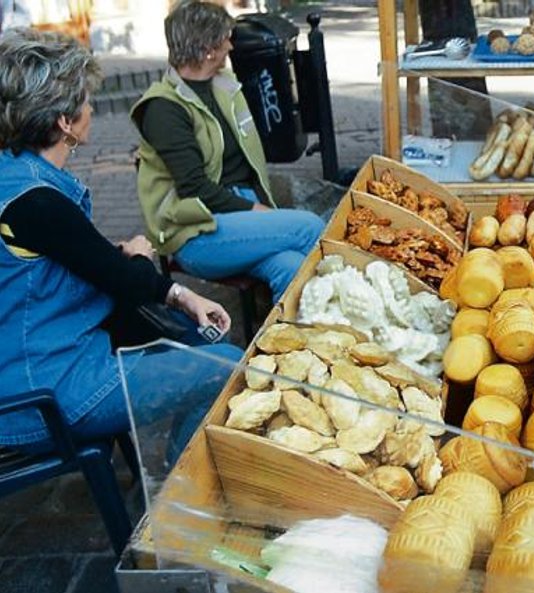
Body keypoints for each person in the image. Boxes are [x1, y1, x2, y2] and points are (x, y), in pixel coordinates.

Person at [0, 29, 243, 461]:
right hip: (48, 394)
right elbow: (127, 281)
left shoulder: (13, 175)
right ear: (64, 123)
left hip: (26, 367)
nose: (91, 109)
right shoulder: (38, 202)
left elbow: (81, 259)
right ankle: (177, 488)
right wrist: (140, 253)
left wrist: (176, 293)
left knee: (187, 333)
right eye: (86, 102)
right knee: (228, 366)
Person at [132, 0, 325, 302]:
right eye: (225, 38)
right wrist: (258, 211)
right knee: (310, 227)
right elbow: (195, 188)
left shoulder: (223, 86)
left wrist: (258, 207)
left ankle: (287, 345)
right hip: (197, 231)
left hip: (240, 217)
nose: (231, 46)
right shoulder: (163, 108)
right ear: (207, 47)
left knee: (294, 269)